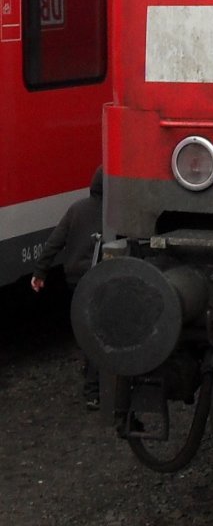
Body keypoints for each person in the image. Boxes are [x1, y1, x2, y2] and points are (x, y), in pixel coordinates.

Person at [30, 166, 104, 409]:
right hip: (101, 278)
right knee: (101, 332)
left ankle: (92, 380)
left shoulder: (76, 209)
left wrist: (40, 272)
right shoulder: (115, 213)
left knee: (87, 329)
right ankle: (94, 390)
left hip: (75, 279)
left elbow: (54, 242)